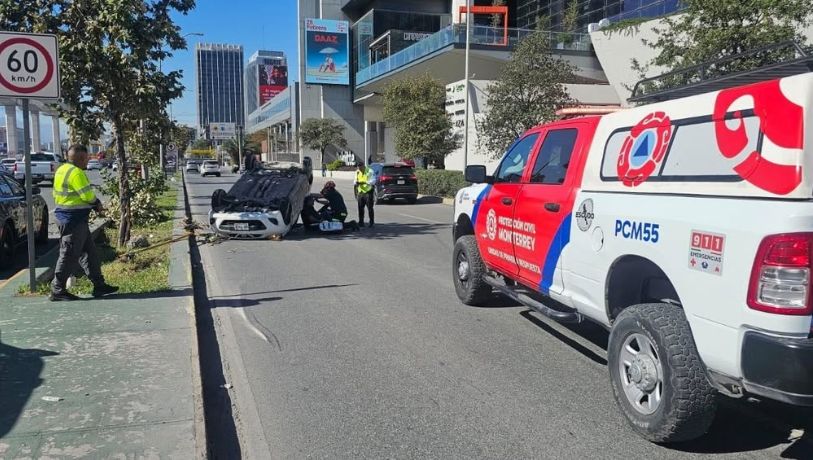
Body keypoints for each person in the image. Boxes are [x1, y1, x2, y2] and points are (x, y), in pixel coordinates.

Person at [50, 144, 118, 301]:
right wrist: (97, 204)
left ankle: (99, 285)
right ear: (81, 158)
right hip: (72, 219)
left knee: (89, 253)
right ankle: (57, 289)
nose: (88, 161)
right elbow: (87, 195)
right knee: (69, 254)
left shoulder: (62, 169)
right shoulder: (76, 173)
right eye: (87, 158)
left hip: (71, 217)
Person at [354, 162, 375, 227]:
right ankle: (361, 222)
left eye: (361, 168)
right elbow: (355, 180)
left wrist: (364, 182)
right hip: (360, 192)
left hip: (368, 192)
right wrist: (356, 182)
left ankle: (371, 222)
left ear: (363, 166)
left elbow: (373, 181)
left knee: (370, 208)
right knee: (360, 208)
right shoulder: (357, 172)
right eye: (358, 168)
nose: (360, 170)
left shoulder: (370, 171)